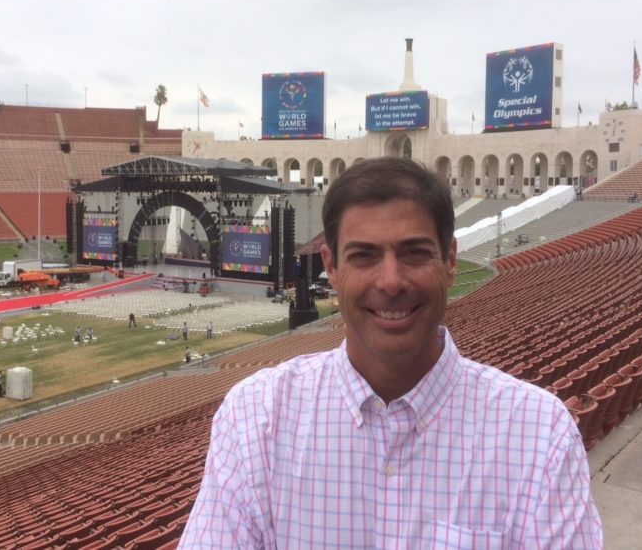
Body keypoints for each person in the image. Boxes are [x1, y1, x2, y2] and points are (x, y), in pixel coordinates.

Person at [180, 157, 602, 548]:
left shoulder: (539, 435)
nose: (391, 280)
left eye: (414, 253)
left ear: (450, 260)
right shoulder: (256, 418)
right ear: (331, 266)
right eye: (364, 256)